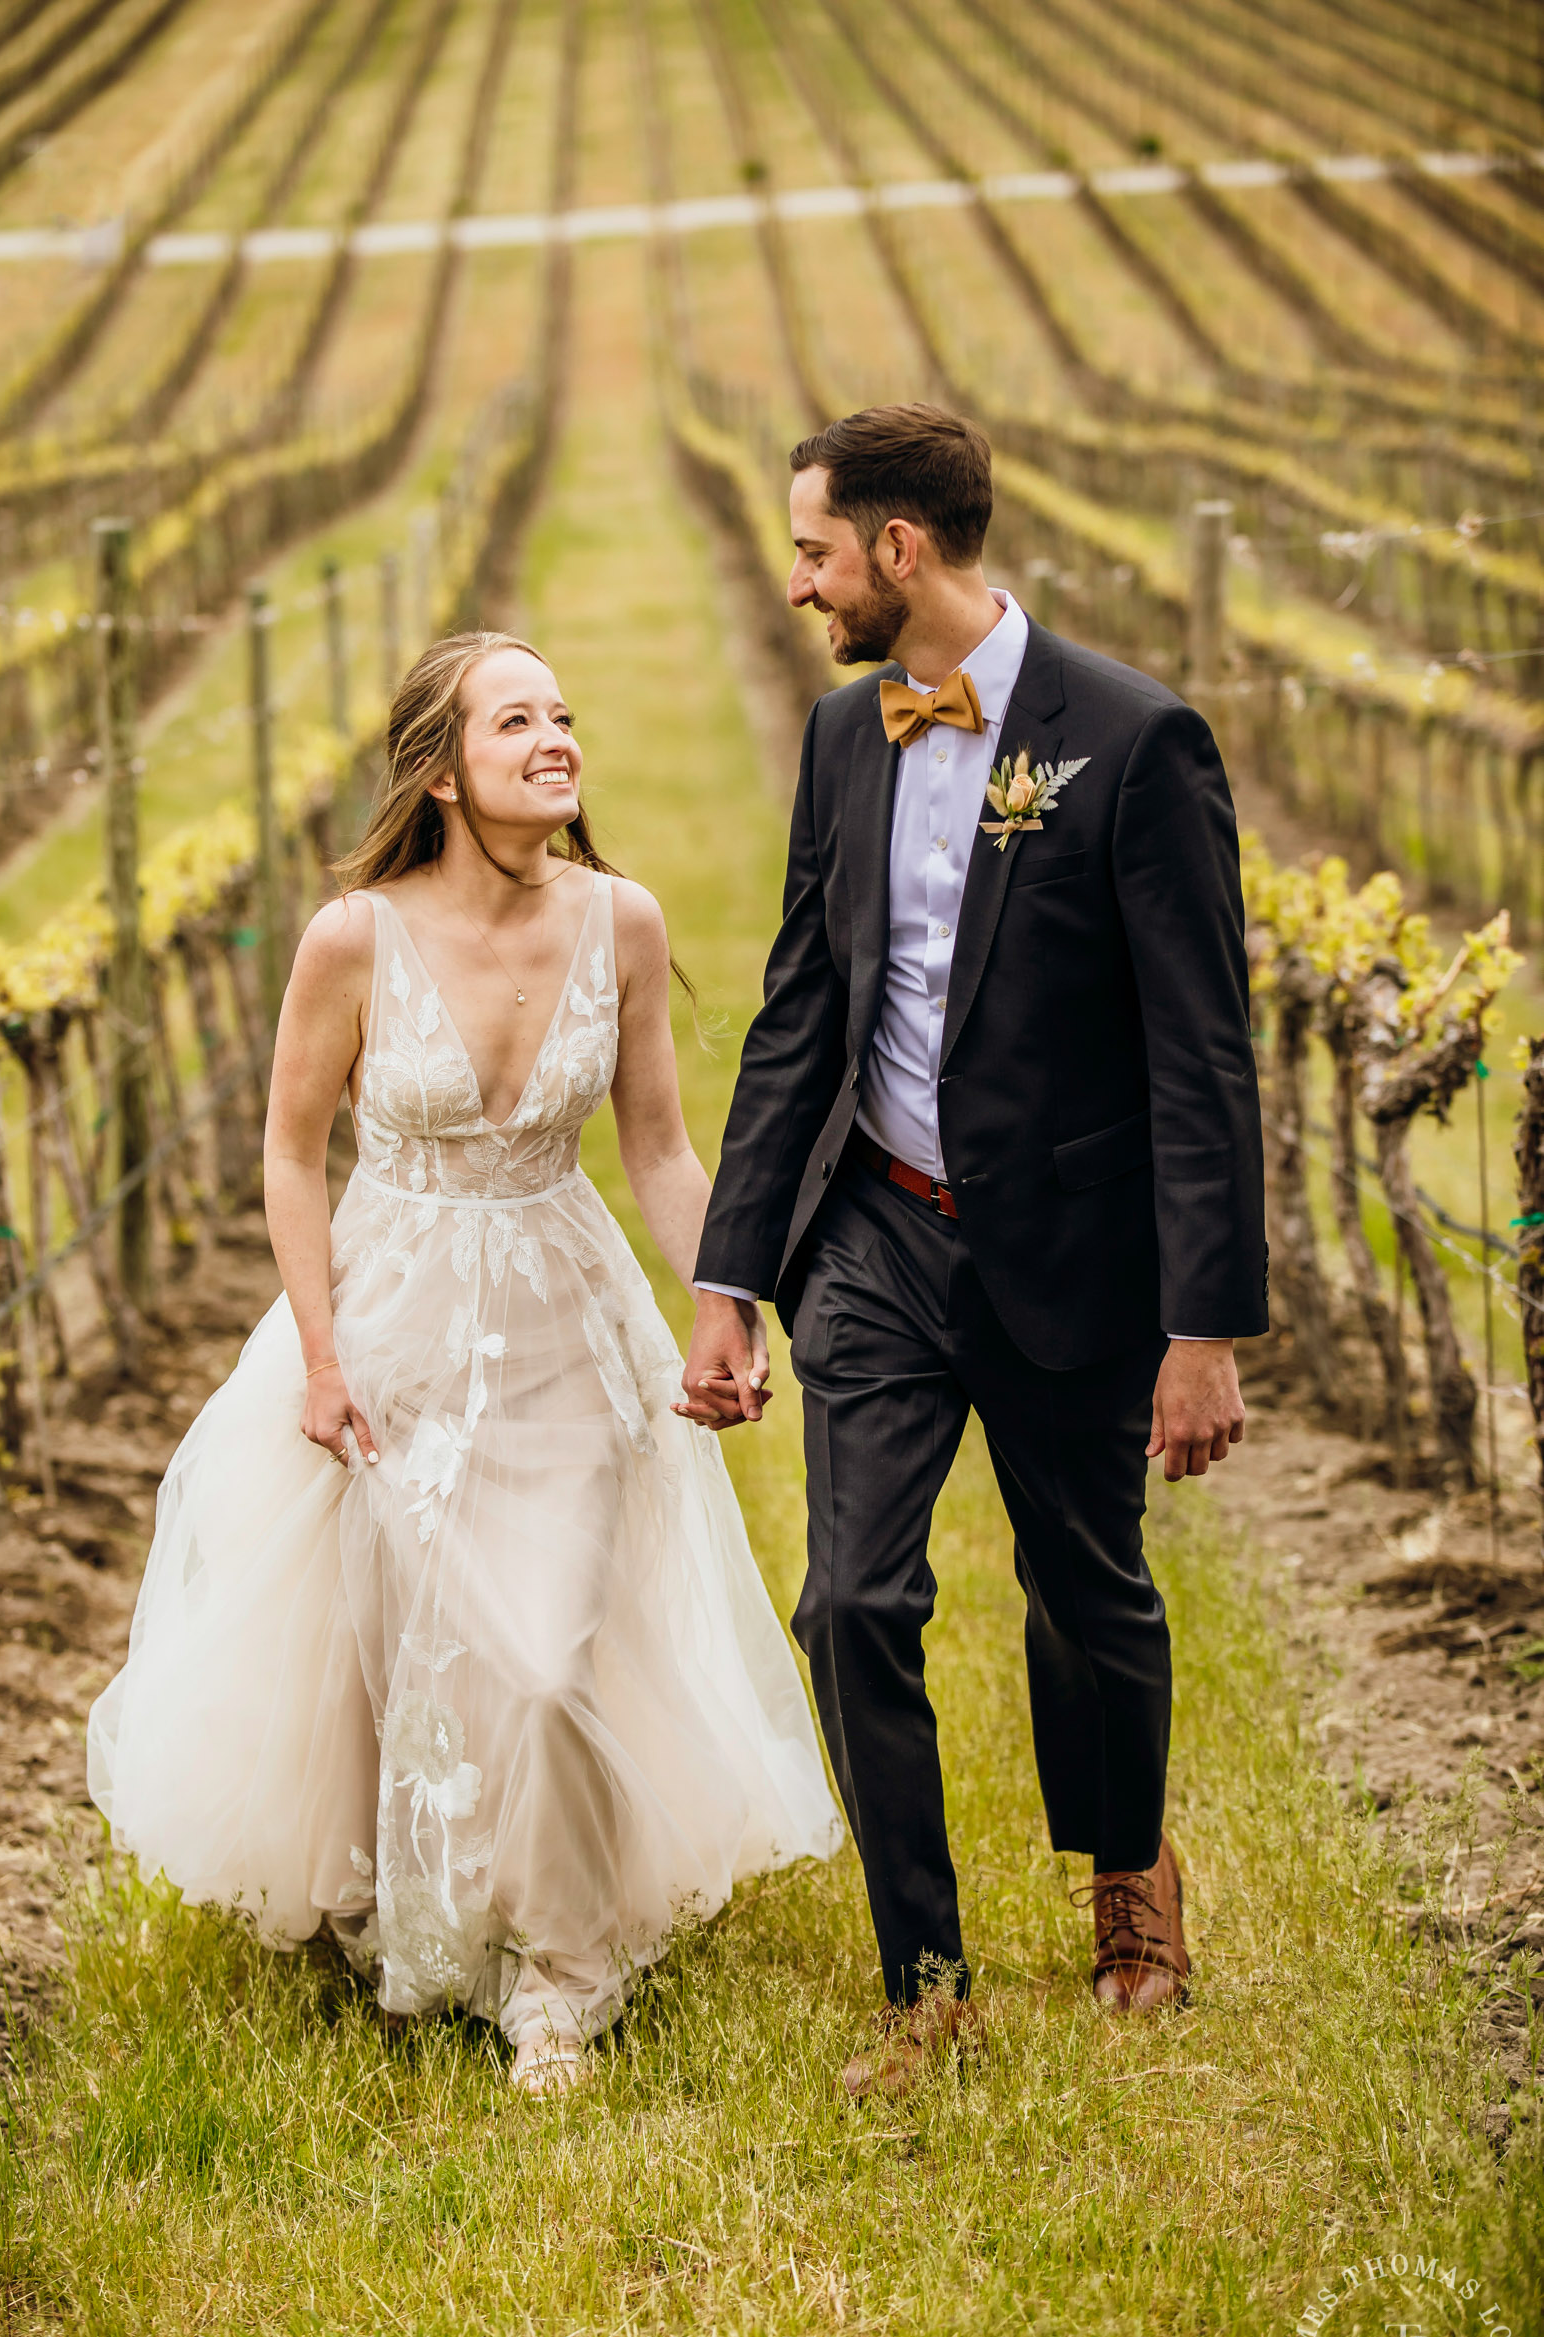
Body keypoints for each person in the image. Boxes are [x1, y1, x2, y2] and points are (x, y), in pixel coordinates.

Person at [88, 631, 841, 2095]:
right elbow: (292, 1157)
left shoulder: (620, 919)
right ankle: (415, 1918)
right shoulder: (353, 938)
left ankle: (561, 1975)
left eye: (565, 712)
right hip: (394, 1316)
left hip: (563, 1312)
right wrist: (318, 1353)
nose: (557, 738)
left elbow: (662, 1148)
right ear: (441, 774)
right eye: (517, 722)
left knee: (547, 1657)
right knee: (413, 1646)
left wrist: (723, 1304)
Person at [681, 404, 1267, 2098]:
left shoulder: (1138, 744)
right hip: (878, 1231)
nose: (799, 585)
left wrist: (1201, 1323)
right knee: (850, 1599)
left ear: (900, 552)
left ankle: (1129, 1882)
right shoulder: (843, 737)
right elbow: (803, 1009)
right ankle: (922, 1977)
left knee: (1087, 1590)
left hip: (1072, 1244)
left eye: (813, 551)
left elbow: (1201, 1052)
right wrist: (732, 1280)